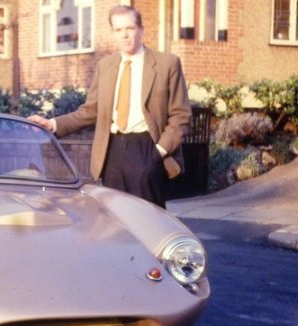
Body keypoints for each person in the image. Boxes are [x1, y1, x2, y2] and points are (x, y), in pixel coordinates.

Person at [28, 5, 191, 209]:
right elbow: (90, 111)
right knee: (115, 218)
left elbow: (181, 116)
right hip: (111, 152)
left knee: (147, 217)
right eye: (118, 30)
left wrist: (158, 152)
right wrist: (52, 124)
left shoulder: (167, 64)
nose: (124, 35)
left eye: (130, 28)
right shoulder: (106, 66)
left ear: (141, 29)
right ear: (113, 33)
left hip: (146, 148)